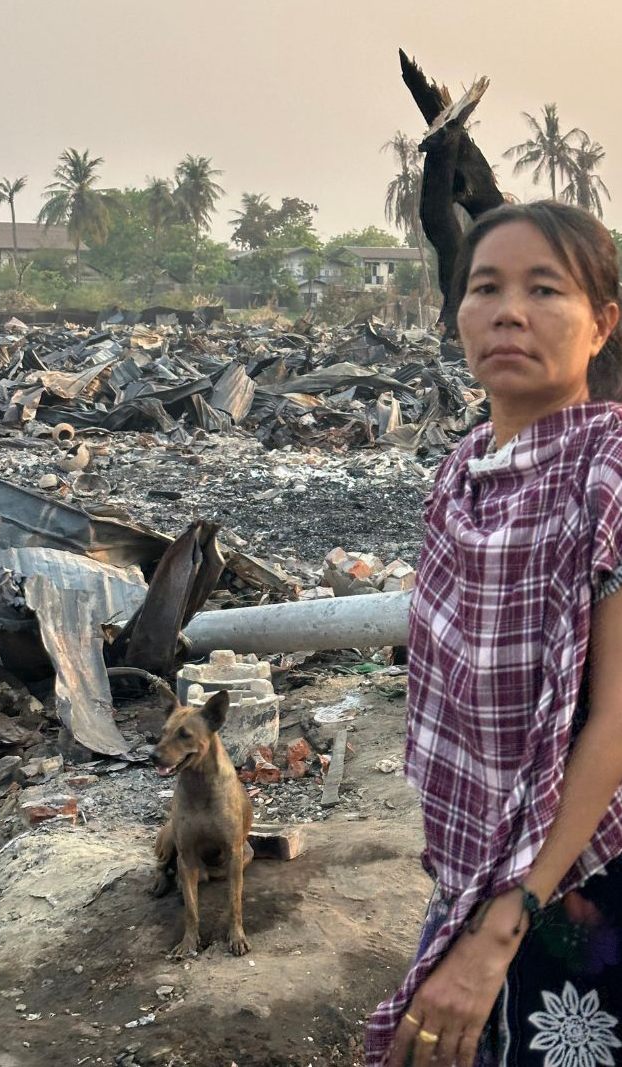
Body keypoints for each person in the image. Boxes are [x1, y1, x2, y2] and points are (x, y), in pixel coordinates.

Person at [366, 200, 622, 1066]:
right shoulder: (459, 475)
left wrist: (504, 924)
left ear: (603, 324)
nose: (508, 310)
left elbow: (617, 719)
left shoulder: (610, 472)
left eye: (544, 288)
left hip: (579, 879)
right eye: (486, 287)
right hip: (472, 869)